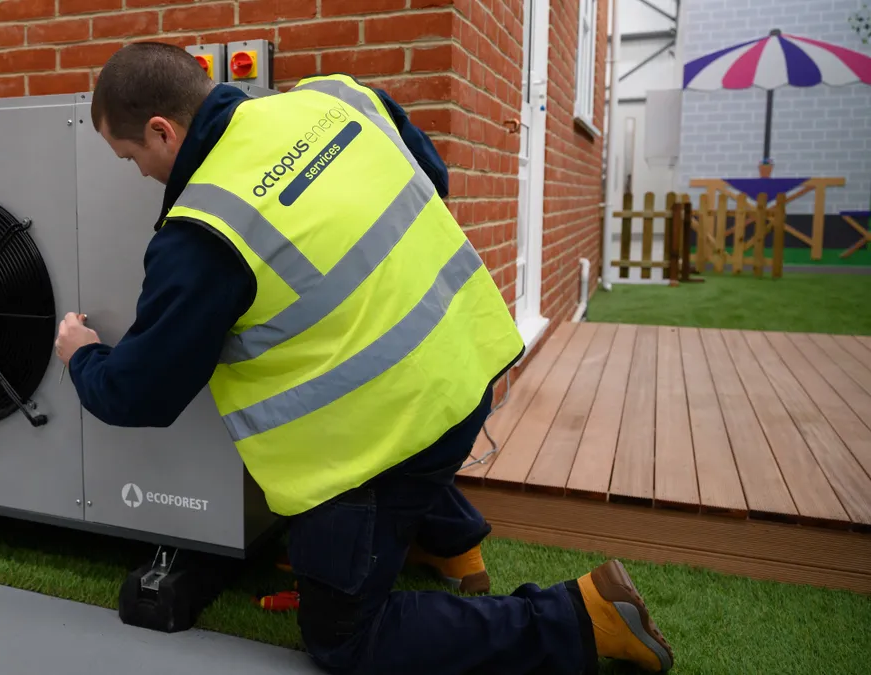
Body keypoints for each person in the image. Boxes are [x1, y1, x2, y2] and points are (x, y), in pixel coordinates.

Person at [54, 42, 675, 675]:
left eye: (132, 157)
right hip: (463, 371)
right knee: (401, 458)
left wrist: (83, 355)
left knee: (346, 638)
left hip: (380, 443)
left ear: (162, 130)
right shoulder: (334, 98)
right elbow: (431, 178)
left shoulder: (202, 231)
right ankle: (452, 545)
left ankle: (582, 619)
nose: (138, 174)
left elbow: (141, 393)